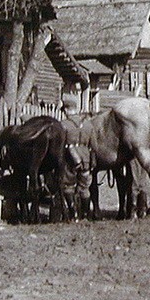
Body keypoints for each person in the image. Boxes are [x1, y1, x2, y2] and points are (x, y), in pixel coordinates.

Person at [59, 92, 93, 220]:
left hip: (70, 159)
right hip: (86, 159)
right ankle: (85, 214)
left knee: (68, 186)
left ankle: (74, 215)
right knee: (85, 187)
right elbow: (92, 145)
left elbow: (61, 144)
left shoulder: (64, 125)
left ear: (67, 110)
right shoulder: (88, 125)